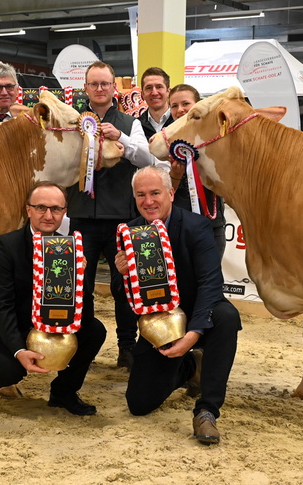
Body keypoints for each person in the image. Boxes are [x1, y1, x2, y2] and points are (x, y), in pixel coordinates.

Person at [116, 166, 241, 445]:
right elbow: (125, 301)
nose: (148, 201)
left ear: (171, 193)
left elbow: (211, 284)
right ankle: (190, 367)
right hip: (160, 324)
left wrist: (193, 334)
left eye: (155, 193)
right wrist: (123, 275)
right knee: (139, 404)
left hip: (200, 316)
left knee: (226, 315)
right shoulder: (131, 232)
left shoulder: (197, 226)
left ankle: (207, 411)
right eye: (141, 195)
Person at [0, 182, 107, 416]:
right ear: (28, 210)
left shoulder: (72, 247)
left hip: (51, 323)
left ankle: (64, 392)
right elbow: (0, 305)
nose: (49, 215)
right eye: (41, 208)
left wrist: (80, 279)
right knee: (9, 368)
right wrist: (19, 350)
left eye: (56, 209)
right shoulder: (6, 245)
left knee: (94, 331)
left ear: (65, 212)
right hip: (4, 326)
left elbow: (84, 311)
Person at [68, 61, 168, 370]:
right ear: (85, 88)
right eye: (93, 84)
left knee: (125, 284)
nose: (99, 89)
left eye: (105, 84)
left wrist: (120, 138)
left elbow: (147, 158)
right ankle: (82, 342)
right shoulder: (72, 121)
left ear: (114, 88)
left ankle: (127, 346)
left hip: (119, 218)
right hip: (81, 215)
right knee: (79, 285)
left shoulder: (129, 122)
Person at [164, 84, 227, 257]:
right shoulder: (164, 141)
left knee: (211, 278)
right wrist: (175, 176)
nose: (180, 110)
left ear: (197, 105)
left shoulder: (215, 136)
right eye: (174, 106)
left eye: (185, 104)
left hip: (212, 224)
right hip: (177, 225)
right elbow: (161, 192)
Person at [136, 67, 172, 140]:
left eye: (159, 87)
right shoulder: (136, 126)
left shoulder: (180, 122)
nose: (154, 93)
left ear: (168, 91)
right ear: (142, 94)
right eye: (149, 88)